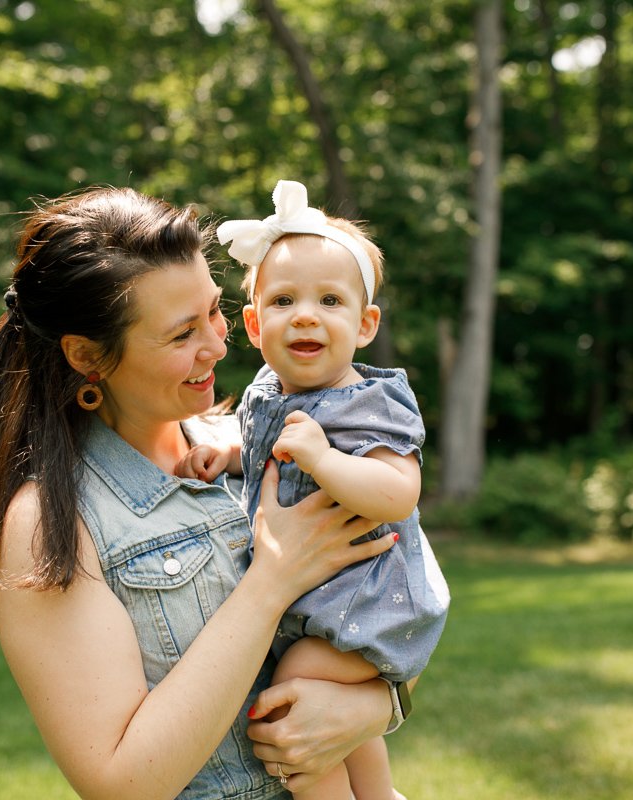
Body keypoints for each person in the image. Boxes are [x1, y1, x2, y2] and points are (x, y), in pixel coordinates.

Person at [0, 186, 408, 800]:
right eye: (182, 332)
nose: (218, 344)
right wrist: (271, 581)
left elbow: (389, 611)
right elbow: (122, 785)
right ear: (89, 356)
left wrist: (375, 708)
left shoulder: (246, 440)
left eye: (215, 311)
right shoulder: (48, 524)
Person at [175, 181, 450, 800]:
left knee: (291, 694)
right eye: (283, 300)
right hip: (314, 603)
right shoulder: (267, 393)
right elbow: (268, 458)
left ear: (365, 323)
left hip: (368, 602)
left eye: (330, 299)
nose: (305, 314)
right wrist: (229, 454)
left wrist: (325, 459)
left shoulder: (370, 402)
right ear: (253, 323)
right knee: (310, 694)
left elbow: (397, 492)